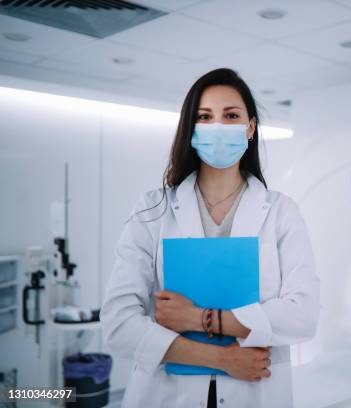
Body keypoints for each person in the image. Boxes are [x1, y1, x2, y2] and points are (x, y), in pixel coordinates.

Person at [100, 68, 321, 408]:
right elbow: (119, 324)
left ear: (250, 129)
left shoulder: (281, 212)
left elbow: (302, 316)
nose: (218, 127)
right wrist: (222, 359)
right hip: (165, 394)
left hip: (257, 392)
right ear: (191, 130)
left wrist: (197, 318)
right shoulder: (152, 210)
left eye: (231, 116)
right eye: (205, 117)